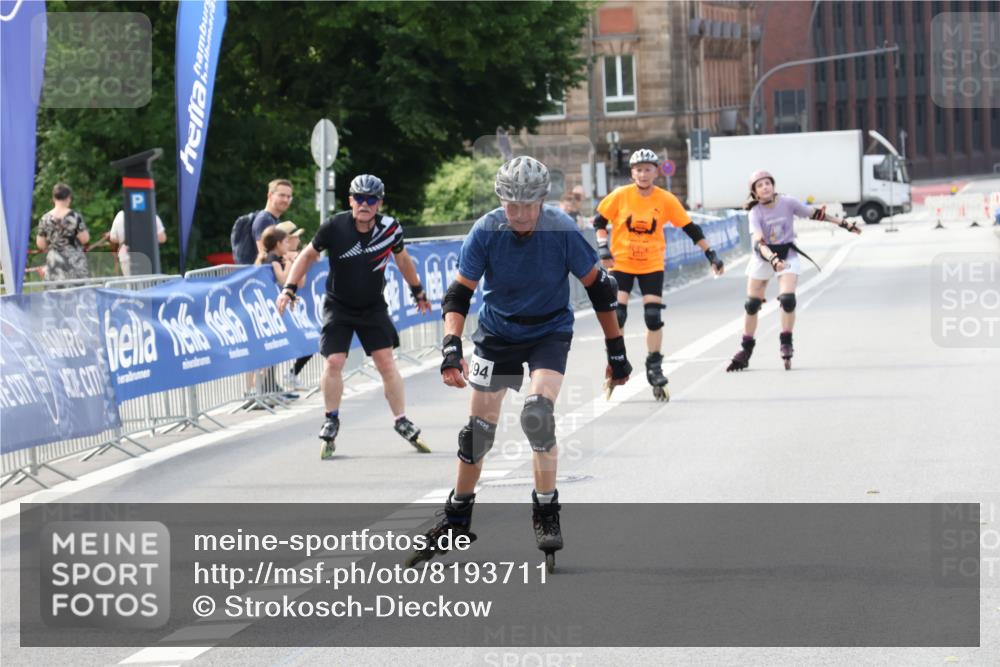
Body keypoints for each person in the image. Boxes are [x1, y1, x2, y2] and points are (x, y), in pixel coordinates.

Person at [405, 156, 632, 573]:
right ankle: (457, 519)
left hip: (548, 332)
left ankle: (546, 510)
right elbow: (459, 294)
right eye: (511, 204)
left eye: (528, 205)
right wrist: (451, 346)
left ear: (543, 201)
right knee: (477, 435)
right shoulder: (486, 230)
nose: (520, 214)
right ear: (500, 200)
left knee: (537, 416)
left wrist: (616, 352)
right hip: (498, 335)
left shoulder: (561, 229)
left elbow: (601, 291)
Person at [276, 174, 433, 459]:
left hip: (373, 306)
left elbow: (402, 259)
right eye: (359, 198)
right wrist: (289, 288)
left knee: (386, 362)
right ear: (350, 200)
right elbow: (307, 256)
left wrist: (418, 291)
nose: (365, 204)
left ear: (379, 203)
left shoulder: (390, 228)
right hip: (339, 305)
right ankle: (331, 418)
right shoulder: (335, 226)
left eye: (371, 199)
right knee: (334, 361)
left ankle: (401, 419)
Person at [592, 149, 724, 401]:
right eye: (638, 170)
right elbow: (599, 221)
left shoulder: (665, 199)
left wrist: (711, 254)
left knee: (653, 317)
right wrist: (602, 247)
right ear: (632, 173)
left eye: (647, 169)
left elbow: (690, 228)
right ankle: (616, 361)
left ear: (656, 172)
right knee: (618, 315)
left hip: (651, 264)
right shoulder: (621, 195)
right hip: (621, 262)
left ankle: (654, 365)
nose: (643, 174)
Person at [726, 169, 862, 372]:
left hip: (787, 254)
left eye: (767, 183)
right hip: (764, 257)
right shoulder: (755, 212)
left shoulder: (788, 202)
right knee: (752, 304)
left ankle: (786, 341)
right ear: (754, 192)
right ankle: (746, 350)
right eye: (760, 185)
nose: (765, 187)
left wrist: (843, 224)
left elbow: (815, 214)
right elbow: (759, 243)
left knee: (788, 299)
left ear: (773, 185)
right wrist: (773, 259)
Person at [275, 221, 312, 390]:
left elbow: (301, 282)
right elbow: (284, 280)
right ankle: (270, 387)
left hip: (292, 308)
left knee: (312, 340)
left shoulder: (294, 256)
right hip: (280, 308)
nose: (299, 239)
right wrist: (291, 262)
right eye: (295, 237)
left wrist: (298, 260)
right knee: (277, 347)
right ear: (287, 240)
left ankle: (291, 374)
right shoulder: (277, 259)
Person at [35, 183, 90, 281]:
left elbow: (40, 244)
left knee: (56, 289)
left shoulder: (45, 219)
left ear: (54, 198)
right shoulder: (75, 217)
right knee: (77, 289)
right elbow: (85, 239)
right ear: (68, 198)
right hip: (74, 261)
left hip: (54, 262)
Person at [109, 209, 167, 276]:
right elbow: (162, 238)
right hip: (148, 256)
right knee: (149, 281)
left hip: (126, 256)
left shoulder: (120, 216)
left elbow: (113, 238)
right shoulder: (150, 213)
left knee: (131, 282)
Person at [252, 179, 294, 257]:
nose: (286, 200)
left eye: (289, 197)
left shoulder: (274, 221)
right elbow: (264, 255)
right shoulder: (264, 220)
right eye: (281, 195)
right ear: (270, 195)